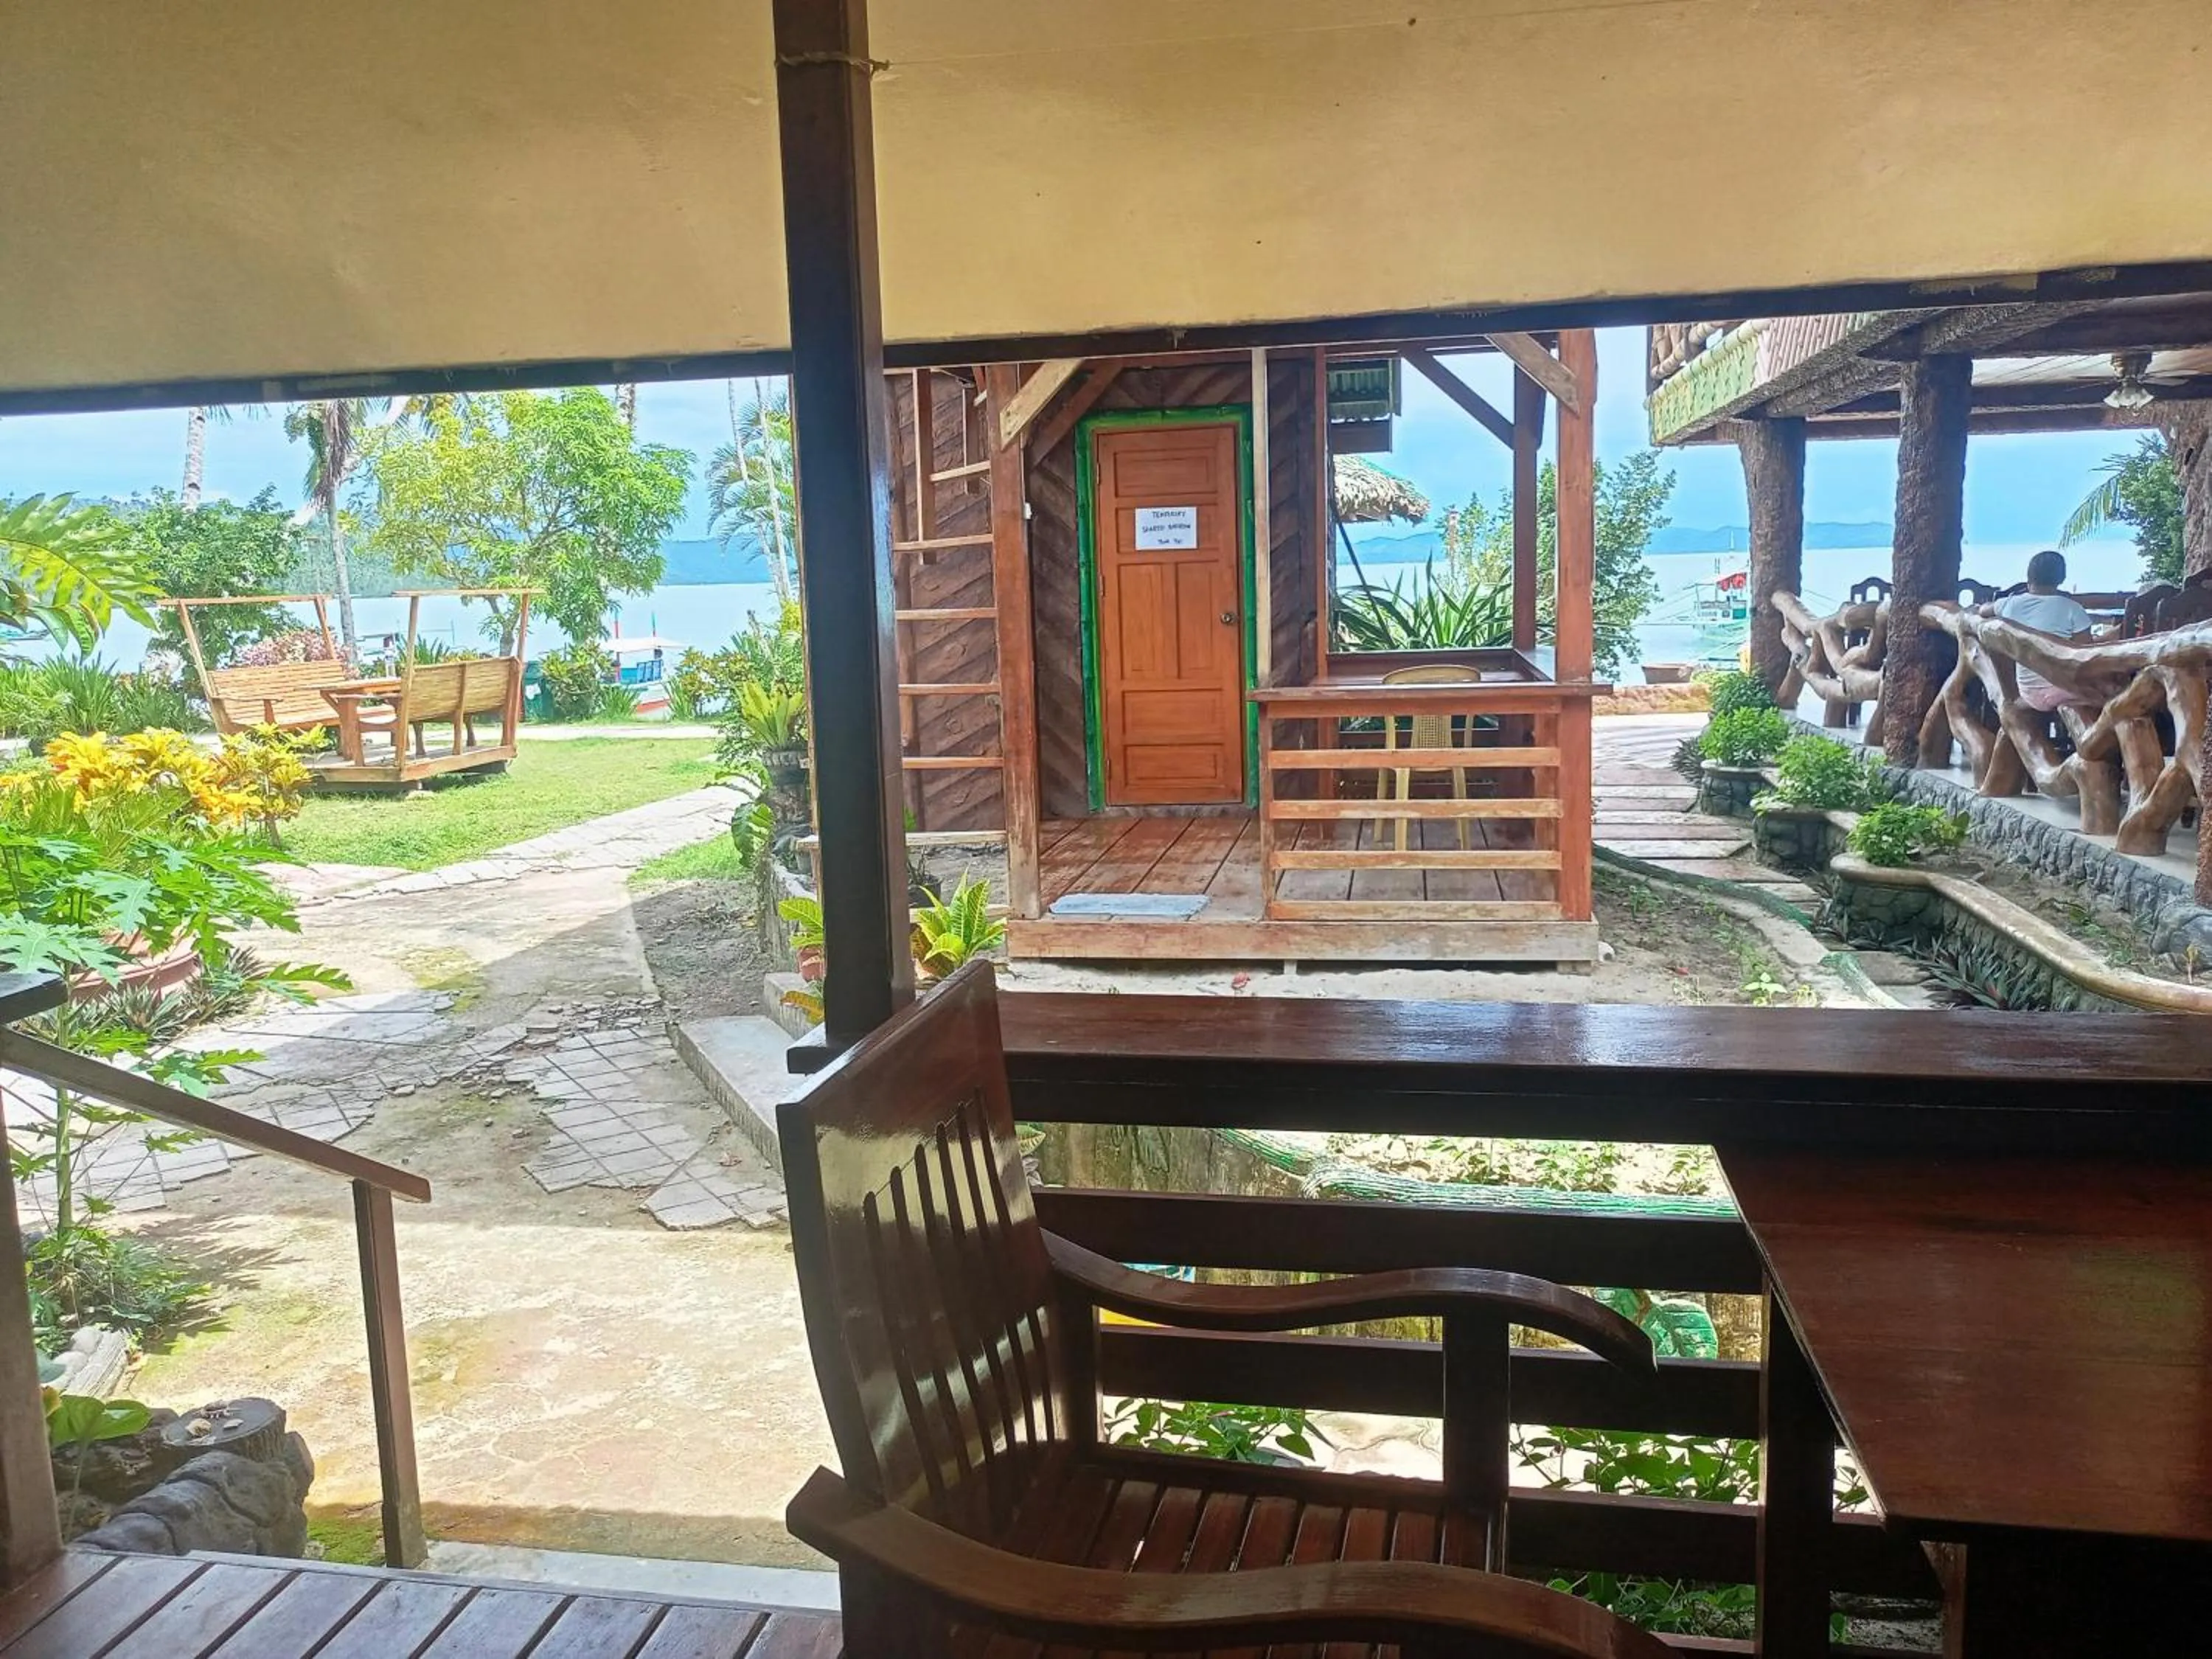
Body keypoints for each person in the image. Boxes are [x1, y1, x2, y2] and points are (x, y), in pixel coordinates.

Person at [1982, 549, 2095, 712]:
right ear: (2061, 578)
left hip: (2027, 692)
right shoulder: (2072, 609)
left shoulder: (2010, 604)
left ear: (2029, 576)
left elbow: (1983, 611)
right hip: (2064, 692)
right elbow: (2085, 656)